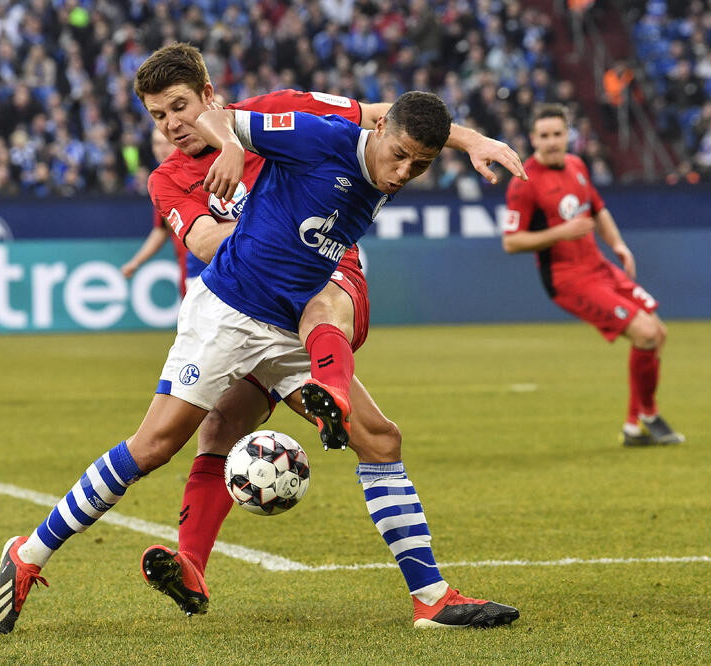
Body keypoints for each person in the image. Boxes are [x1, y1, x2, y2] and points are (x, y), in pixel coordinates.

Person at [0, 90, 520, 634]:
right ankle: (27, 554)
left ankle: (430, 598)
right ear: (380, 134)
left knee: (381, 439)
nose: (405, 171)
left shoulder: (362, 136)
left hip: (290, 325)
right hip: (228, 313)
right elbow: (223, 125)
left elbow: (405, 115)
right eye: (400, 155)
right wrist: (234, 149)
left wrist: (475, 141)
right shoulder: (313, 135)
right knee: (154, 446)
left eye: (420, 165)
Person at [126, 43, 523, 620]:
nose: (171, 125)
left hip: (325, 270)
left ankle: (330, 391)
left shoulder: (283, 114)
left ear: (208, 96)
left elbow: (384, 118)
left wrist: (470, 139)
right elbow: (209, 247)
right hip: (248, 297)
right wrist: (258, 237)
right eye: (157, 116)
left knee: (327, 309)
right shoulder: (168, 178)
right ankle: (191, 565)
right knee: (223, 424)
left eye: (179, 108)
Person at [502, 104, 683, 446]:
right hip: (568, 279)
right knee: (645, 333)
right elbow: (512, 242)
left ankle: (634, 427)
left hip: (599, 267)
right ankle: (648, 415)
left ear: (569, 134)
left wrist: (619, 246)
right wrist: (561, 233)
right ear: (532, 139)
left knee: (658, 333)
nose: (552, 142)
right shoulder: (523, 183)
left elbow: (598, 210)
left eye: (558, 134)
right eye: (544, 136)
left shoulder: (576, 165)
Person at [120, 128, 190, 296]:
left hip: (215, 271)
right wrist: (136, 262)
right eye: (158, 143)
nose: (162, 149)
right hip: (188, 274)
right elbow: (162, 229)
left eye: (167, 143)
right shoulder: (161, 181)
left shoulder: (197, 173)